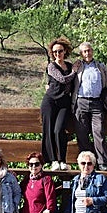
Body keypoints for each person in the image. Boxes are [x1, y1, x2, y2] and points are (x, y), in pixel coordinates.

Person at [71, 42, 107, 171]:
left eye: (89, 50)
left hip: (96, 103)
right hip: (81, 102)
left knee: (98, 132)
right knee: (82, 133)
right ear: (81, 54)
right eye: (84, 51)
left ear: (92, 51)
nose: (87, 53)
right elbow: (68, 80)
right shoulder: (77, 66)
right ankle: (86, 162)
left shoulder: (100, 66)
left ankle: (102, 162)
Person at [40, 37, 77, 171]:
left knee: (59, 130)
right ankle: (53, 160)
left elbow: (73, 84)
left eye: (60, 51)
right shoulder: (51, 66)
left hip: (64, 102)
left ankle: (62, 159)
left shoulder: (69, 65)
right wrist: (74, 72)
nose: (58, 54)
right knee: (48, 130)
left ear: (65, 51)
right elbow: (62, 79)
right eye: (55, 52)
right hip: (50, 101)